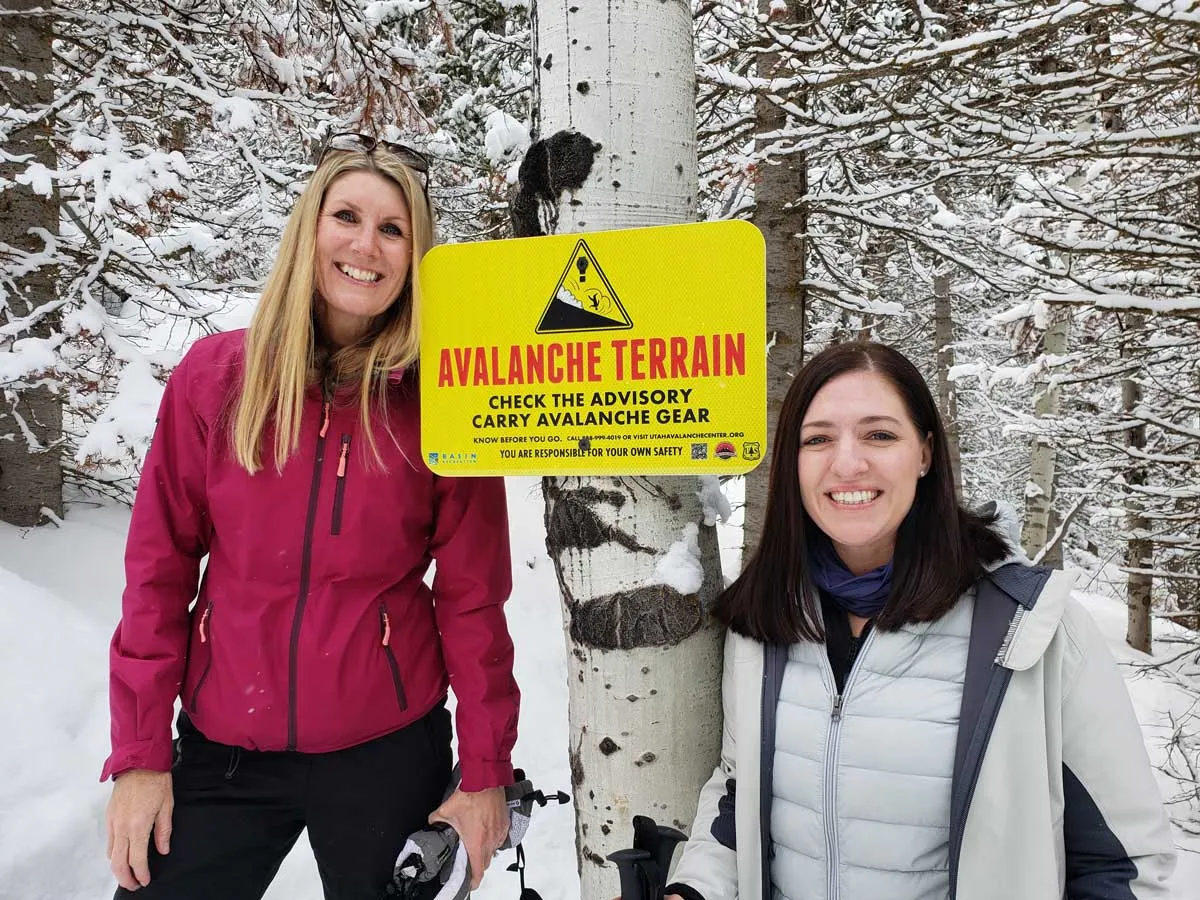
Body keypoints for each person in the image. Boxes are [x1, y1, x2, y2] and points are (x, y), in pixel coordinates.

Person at [102, 133, 520, 900]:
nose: (367, 245)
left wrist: (487, 772)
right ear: (310, 230)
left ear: (415, 256)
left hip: (386, 749)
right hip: (225, 744)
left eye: (393, 229)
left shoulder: (444, 403)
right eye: (348, 217)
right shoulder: (216, 380)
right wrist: (139, 756)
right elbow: (157, 574)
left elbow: (472, 599)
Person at [659, 342, 1176, 900]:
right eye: (818, 439)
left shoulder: (1030, 630)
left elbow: (1122, 866)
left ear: (925, 453)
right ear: (792, 462)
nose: (848, 463)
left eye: (879, 435)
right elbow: (741, 795)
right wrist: (693, 890)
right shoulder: (765, 621)